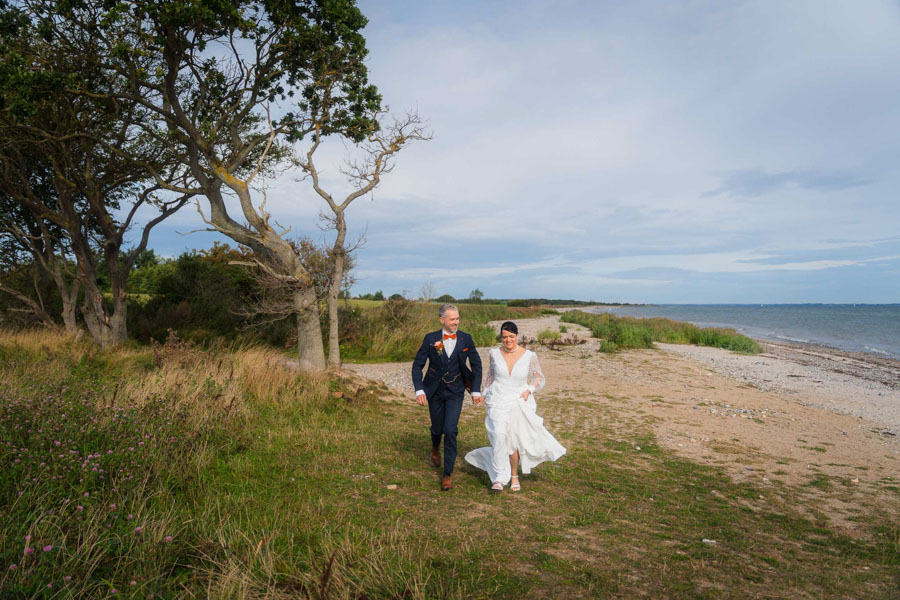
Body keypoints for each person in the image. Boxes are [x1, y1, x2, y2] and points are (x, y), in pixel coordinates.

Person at [465, 321, 566, 492]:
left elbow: (538, 377)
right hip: (498, 399)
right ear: (501, 337)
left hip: (519, 400)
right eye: (504, 337)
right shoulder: (494, 353)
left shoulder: (529, 355)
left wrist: (529, 390)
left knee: (513, 440)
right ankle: (498, 477)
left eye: (511, 337)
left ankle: (513, 475)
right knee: (498, 434)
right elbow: (490, 375)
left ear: (517, 336)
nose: (508, 340)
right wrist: (484, 393)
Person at [411, 304, 483, 491]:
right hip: (434, 391)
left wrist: (475, 390)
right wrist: (419, 390)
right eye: (452, 319)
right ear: (442, 320)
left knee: (450, 430)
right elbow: (417, 365)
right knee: (437, 428)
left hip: (456, 391)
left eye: (458, 318)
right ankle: (435, 447)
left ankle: (447, 474)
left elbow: (476, 364)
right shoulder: (430, 339)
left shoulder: (466, 339)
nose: (456, 322)